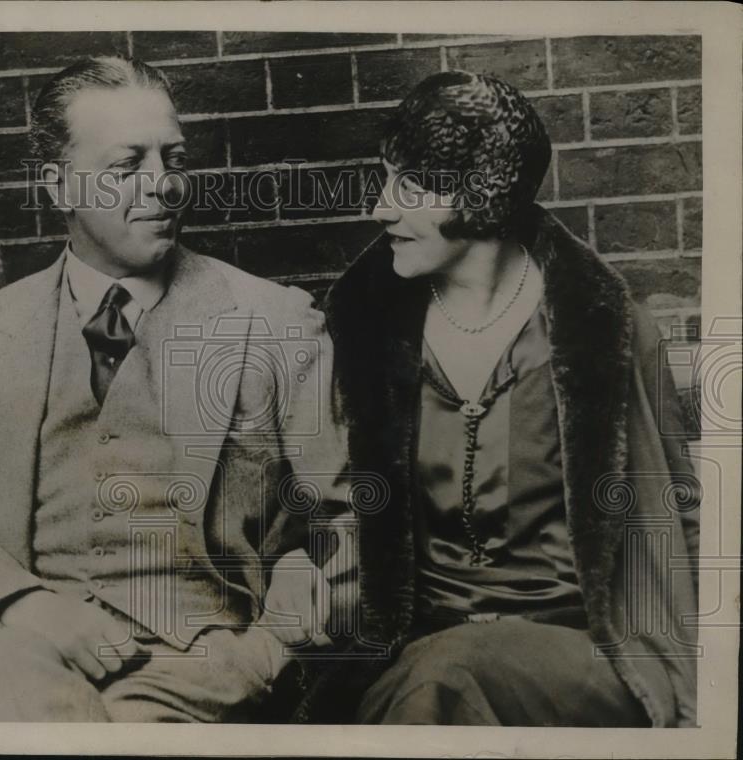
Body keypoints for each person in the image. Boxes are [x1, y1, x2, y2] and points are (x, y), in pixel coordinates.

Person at [0, 55, 346, 723]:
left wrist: (272, 641)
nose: (164, 187)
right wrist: (32, 609)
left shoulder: (275, 324)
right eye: (128, 168)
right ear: (59, 187)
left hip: (204, 669)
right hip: (23, 652)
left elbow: (350, 521)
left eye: (172, 160)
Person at [294, 71, 699, 727]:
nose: (381, 208)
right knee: (424, 681)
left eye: (411, 185)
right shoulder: (366, 337)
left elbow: (684, 509)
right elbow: (334, 509)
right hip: (414, 648)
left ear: (483, 193)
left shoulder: (605, 332)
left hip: (585, 652)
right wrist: (307, 565)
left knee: (445, 679)